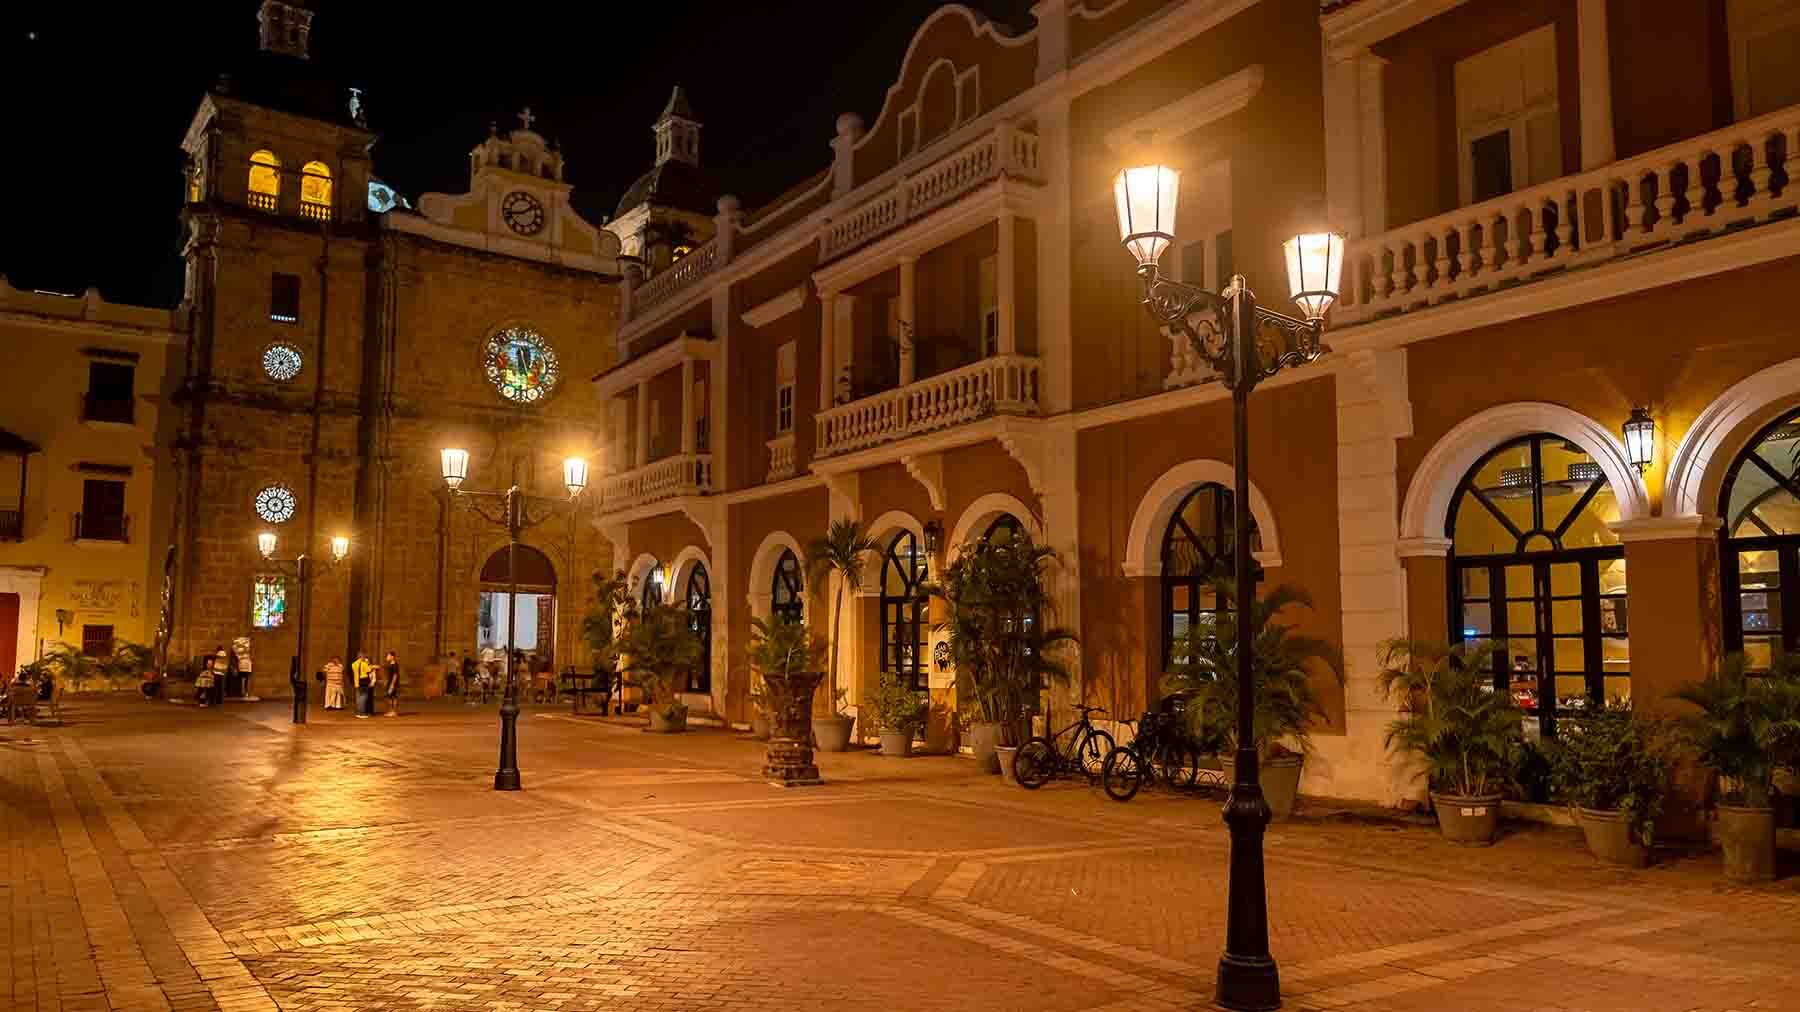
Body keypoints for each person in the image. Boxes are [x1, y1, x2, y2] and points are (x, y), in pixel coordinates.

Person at [352, 652, 375, 718]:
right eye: (364, 657)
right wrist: (370, 665)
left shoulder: (353, 664)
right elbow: (369, 670)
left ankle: (358, 713)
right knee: (363, 698)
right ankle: (362, 713)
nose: (364, 658)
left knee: (358, 698)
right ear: (361, 657)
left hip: (356, 683)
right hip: (363, 682)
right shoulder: (364, 664)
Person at [288, 655, 307, 725]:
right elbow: (293, 677)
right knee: (299, 698)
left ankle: (297, 719)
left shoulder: (295, 669)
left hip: (297, 683)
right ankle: (297, 719)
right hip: (297, 683)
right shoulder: (295, 669)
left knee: (298, 698)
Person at [383, 650, 400, 717]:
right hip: (390, 683)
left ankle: (393, 712)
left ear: (392, 657)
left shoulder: (395, 665)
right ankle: (391, 711)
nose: (387, 657)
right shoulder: (391, 665)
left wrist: (392, 685)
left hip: (392, 684)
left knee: (392, 697)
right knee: (391, 697)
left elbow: (395, 675)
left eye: (388, 656)